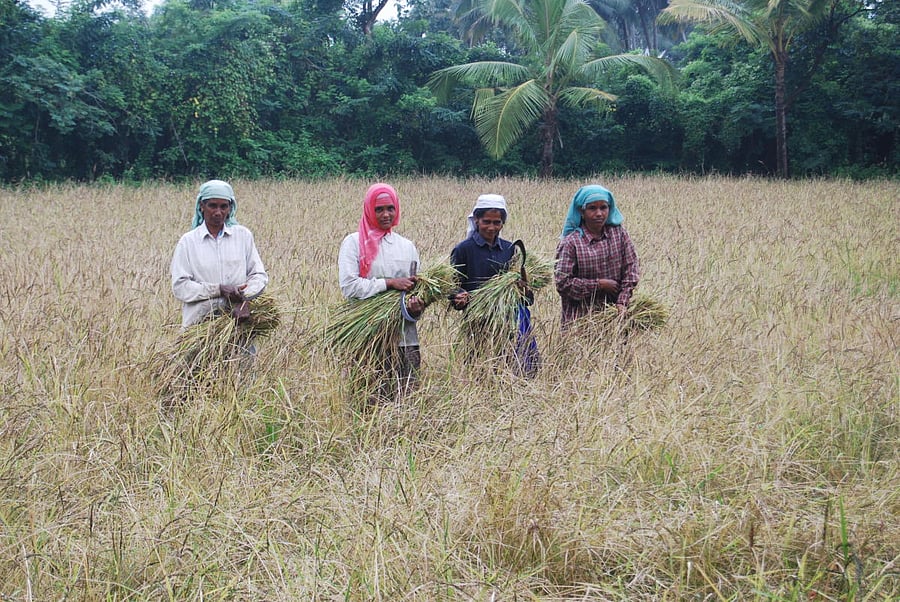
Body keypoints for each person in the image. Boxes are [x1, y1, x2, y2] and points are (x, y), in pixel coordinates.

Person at [338, 183, 424, 403]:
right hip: (367, 336)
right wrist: (389, 283)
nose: (386, 214)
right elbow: (349, 286)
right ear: (369, 209)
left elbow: (418, 288)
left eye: (390, 208)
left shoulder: (407, 246)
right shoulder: (353, 243)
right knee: (368, 401)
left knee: (407, 400)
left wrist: (417, 308)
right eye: (379, 209)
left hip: (404, 338)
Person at [449, 194, 538, 376]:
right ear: (476, 220)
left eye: (497, 222)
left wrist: (523, 288)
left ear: (502, 223)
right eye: (486, 222)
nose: (491, 227)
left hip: (508, 322)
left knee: (510, 366)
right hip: (477, 322)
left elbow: (526, 298)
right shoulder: (463, 250)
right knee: (479, 367)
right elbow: (452, 285)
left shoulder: (510, 250)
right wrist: (459, 296)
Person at [171, 179, 269, 329]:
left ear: (230, 208)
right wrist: (218, 290)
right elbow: (180, 287)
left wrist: (245, 301)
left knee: (240, 346)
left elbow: (259, 276)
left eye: (224, 206)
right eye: (212, 206)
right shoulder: (188, 242)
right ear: (202, 206)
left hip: (238, 324)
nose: (218, 212)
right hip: (199, 326)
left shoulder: (243, 236)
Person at [554, 184, 639, 327]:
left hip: (617, 318)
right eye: (592, 208)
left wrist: (622, 302)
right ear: (581, 212)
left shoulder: (619, 234)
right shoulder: (571, 243)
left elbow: (631, 269)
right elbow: (563, 284)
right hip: (580, 322)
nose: (599, 213)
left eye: (603, 207)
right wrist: (599, 285)